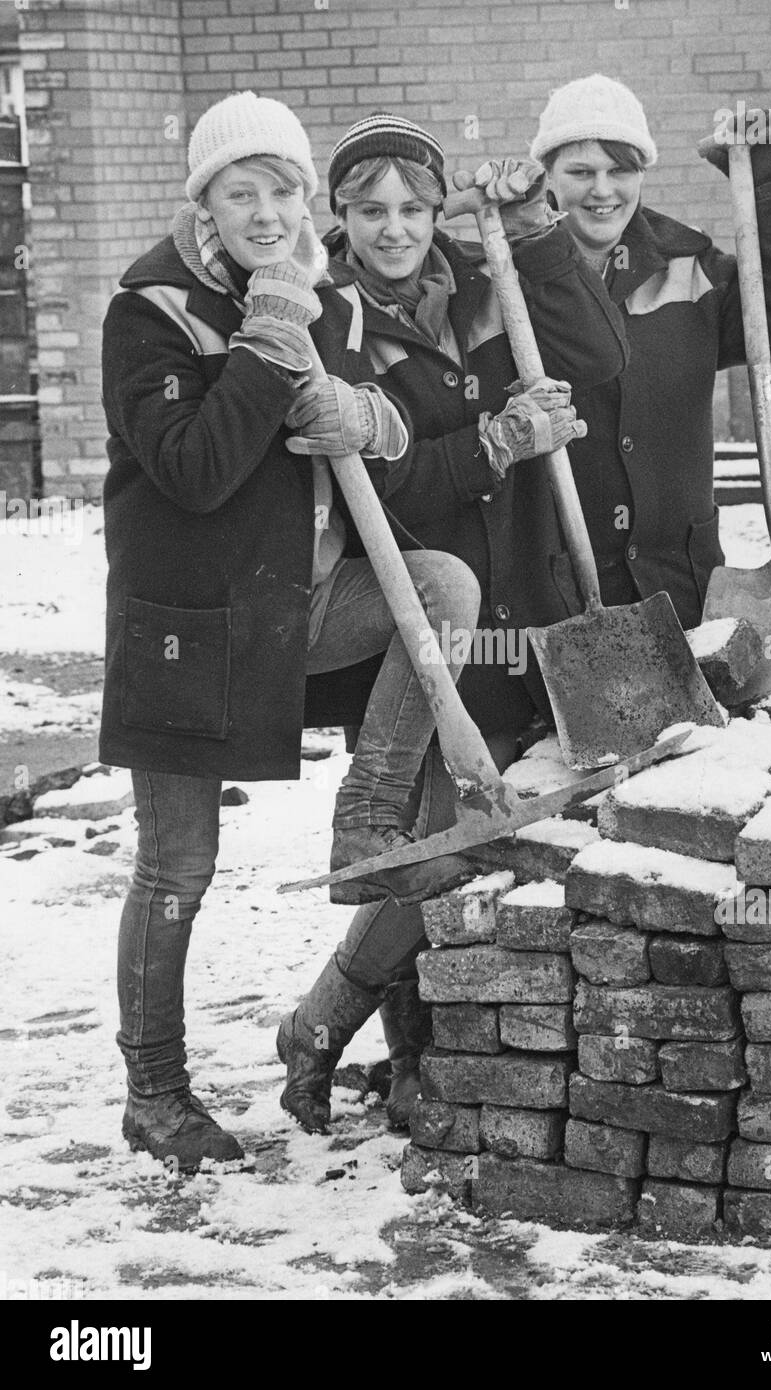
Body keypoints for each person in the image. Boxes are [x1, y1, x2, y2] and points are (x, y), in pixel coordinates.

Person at [100, 91, 485, 1170]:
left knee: (442, 585)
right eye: (240, 191)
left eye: (282, 189)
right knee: (177, 865)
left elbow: (390, 423)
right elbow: (196, 466)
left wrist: (367, 416)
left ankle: (366, 825)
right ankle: (157, 1092)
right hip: (187, 628)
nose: (266, 211)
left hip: (296, 608)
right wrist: (271, 336)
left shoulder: (322, 299)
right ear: (204, 202)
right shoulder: (152, 310)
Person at [278, 111, 630, 1133]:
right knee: (431, 849)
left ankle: (375, 1038)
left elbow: (601, 356)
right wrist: (496, 442)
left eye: (414, 209)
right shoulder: (322, 327)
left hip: (533, 593)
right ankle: (385, 1048)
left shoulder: (486, 288)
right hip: (425, 623)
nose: (395, 230)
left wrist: (531, 227)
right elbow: (375, 502)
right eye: (369, 210)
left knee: (508, 837)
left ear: (440, 212)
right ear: (336, 216)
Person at [529, 73, 771, 631]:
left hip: (681, 585)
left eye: (620, 170)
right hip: (562, 601)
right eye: (581, 172)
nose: (602, 190)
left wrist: (767, 182)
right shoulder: (516, 277)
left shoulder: (688, 267)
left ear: (642, 175)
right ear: (549, 179)